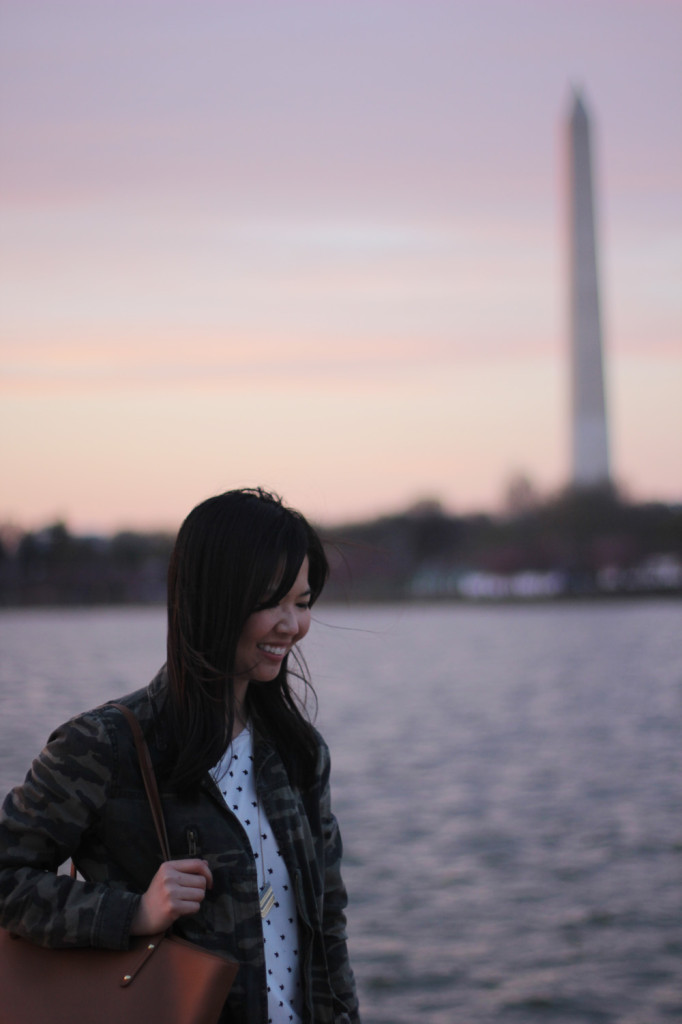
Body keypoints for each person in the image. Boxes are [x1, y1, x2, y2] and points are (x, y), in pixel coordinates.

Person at [0, 488, 360, 1024]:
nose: (291, 625)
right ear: (212, 597)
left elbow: (327, 928)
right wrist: (134, 912)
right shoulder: (106, 746)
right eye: (270, 601)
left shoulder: (298, 755)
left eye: (303, 603)